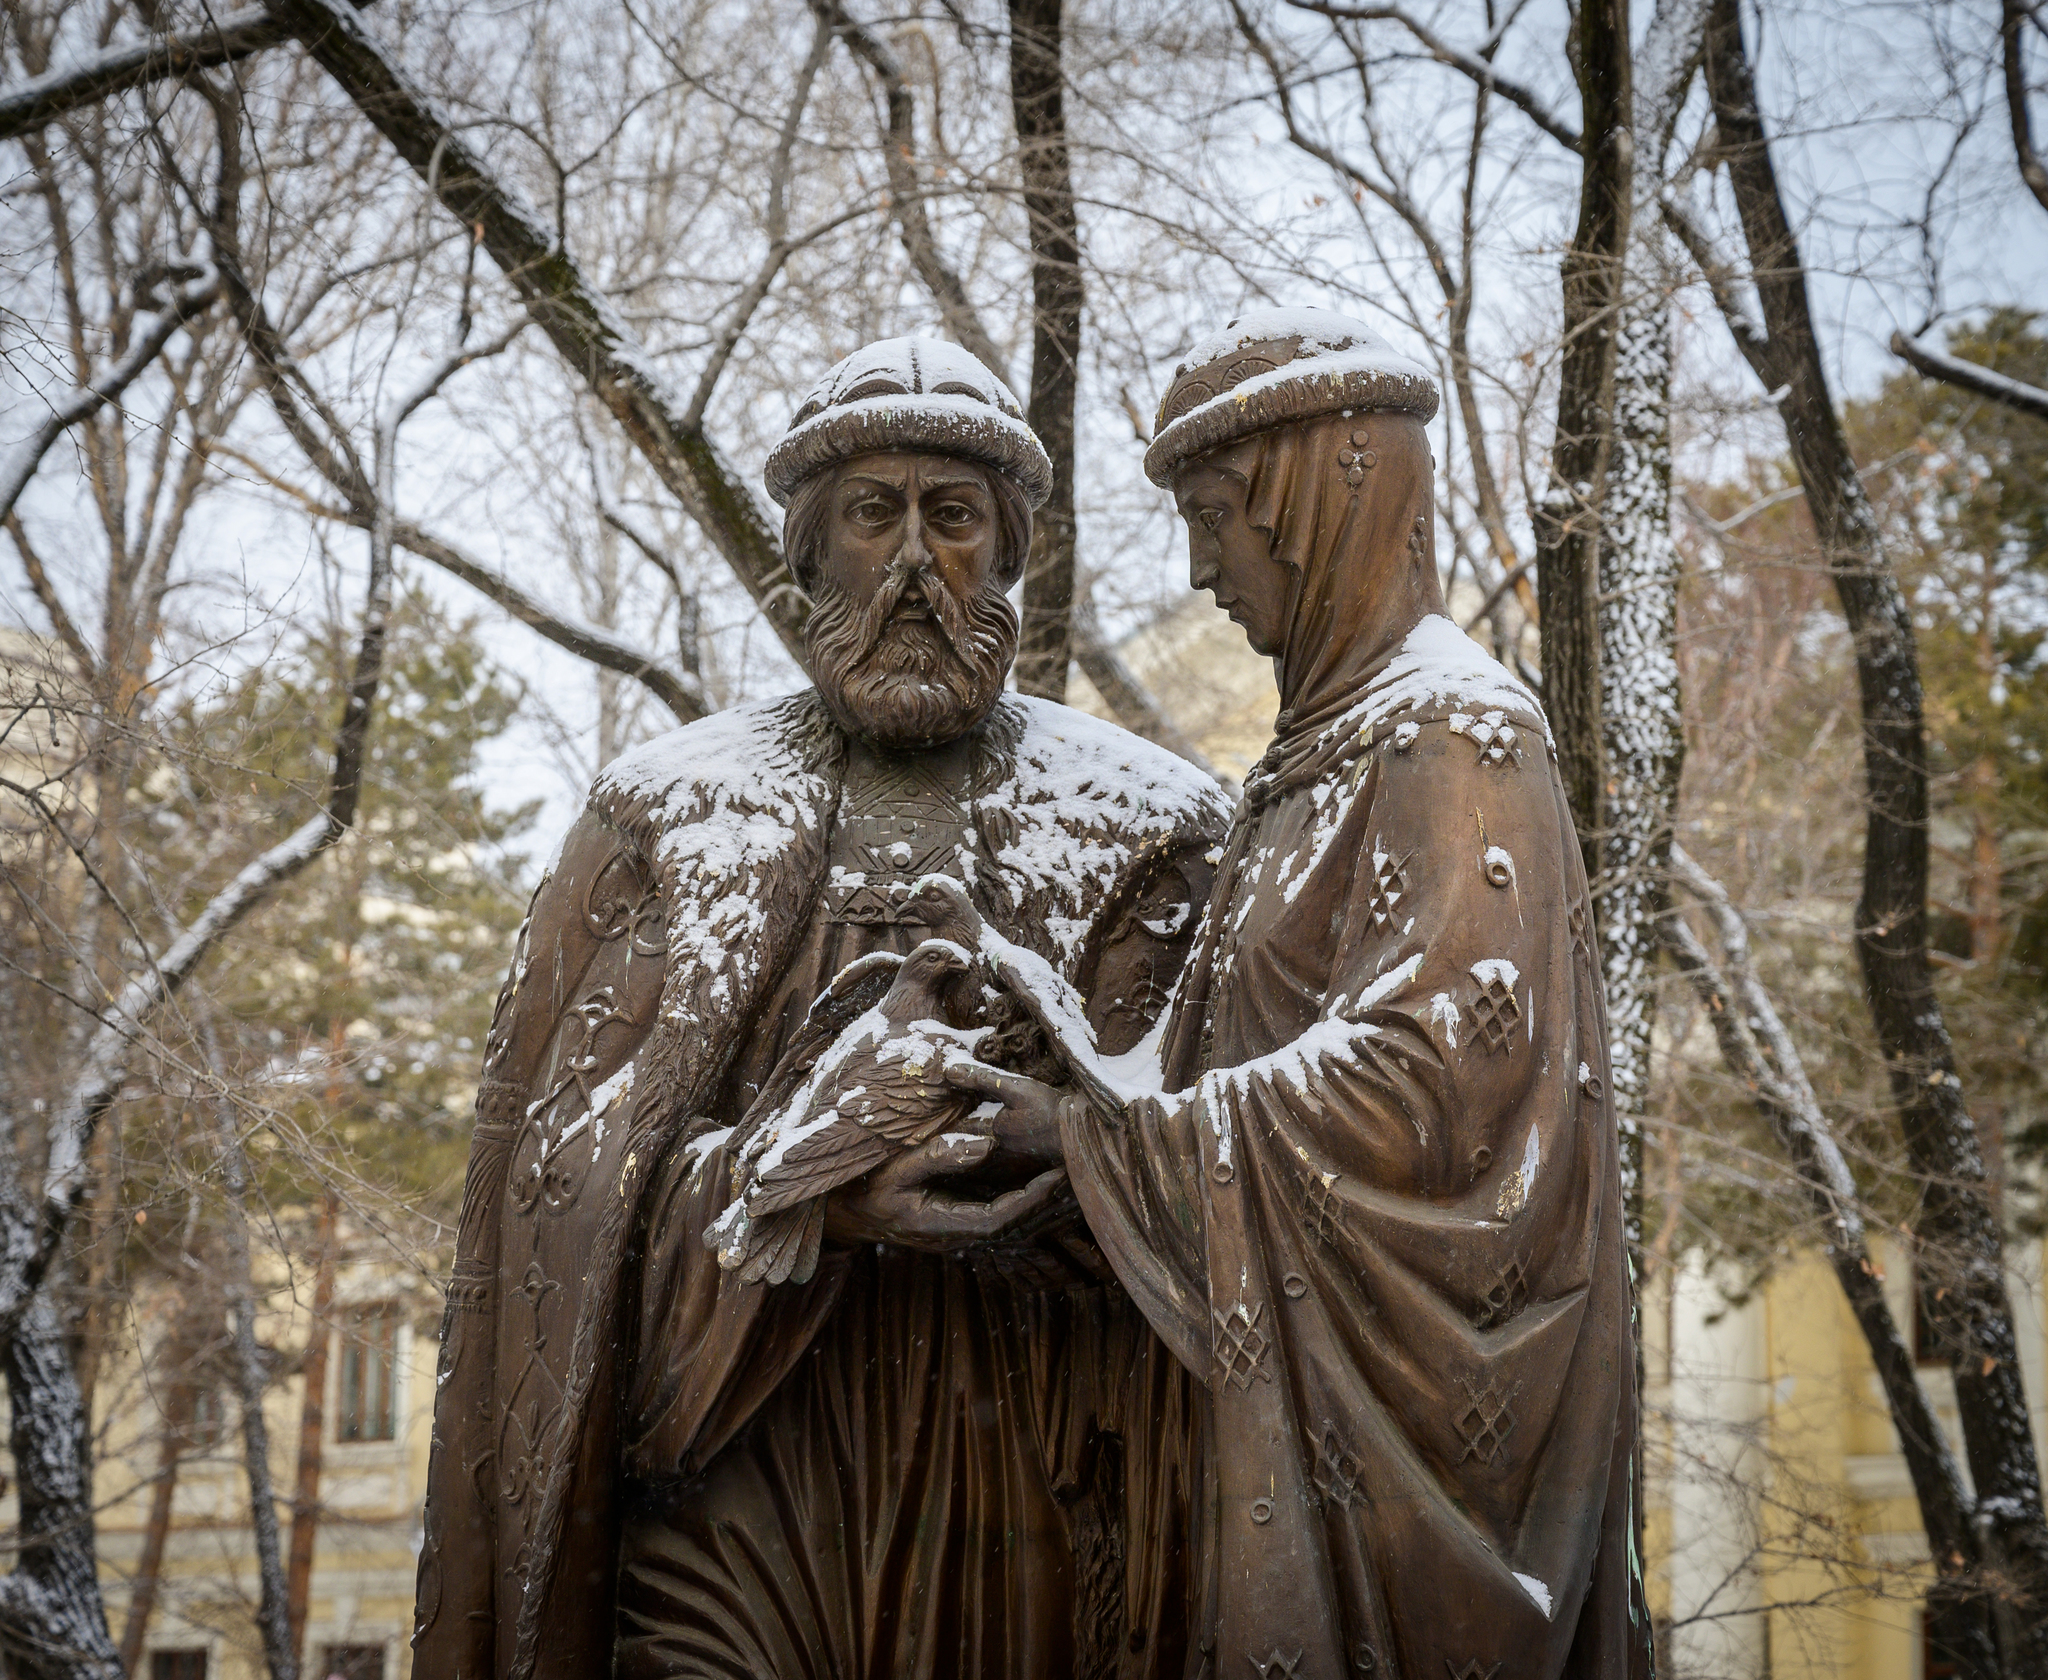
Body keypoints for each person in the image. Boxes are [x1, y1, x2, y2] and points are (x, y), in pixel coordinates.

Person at [410, 337, 1230, 1680]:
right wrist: (793, 1190)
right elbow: (549, 1199)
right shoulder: (662, 820)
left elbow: (1217, 1179)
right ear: (809, 559)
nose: (914, 565)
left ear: (1009, 557)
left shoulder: (1153, 827)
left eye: (954, 517)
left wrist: (1055, 1147)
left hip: (1027, 1510)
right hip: (736, 1508)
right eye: (872, 515)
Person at [949, 307, 1650, 1678]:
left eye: (1215, 516)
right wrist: (1056, 1036)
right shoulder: (1310, 763)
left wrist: (1089, 1137)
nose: (1204, 570)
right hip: (1279, 1414)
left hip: (1411, 1467)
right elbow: (1210, 1066)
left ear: (1319, 500)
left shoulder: (1455, 735)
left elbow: (1426, 1087)